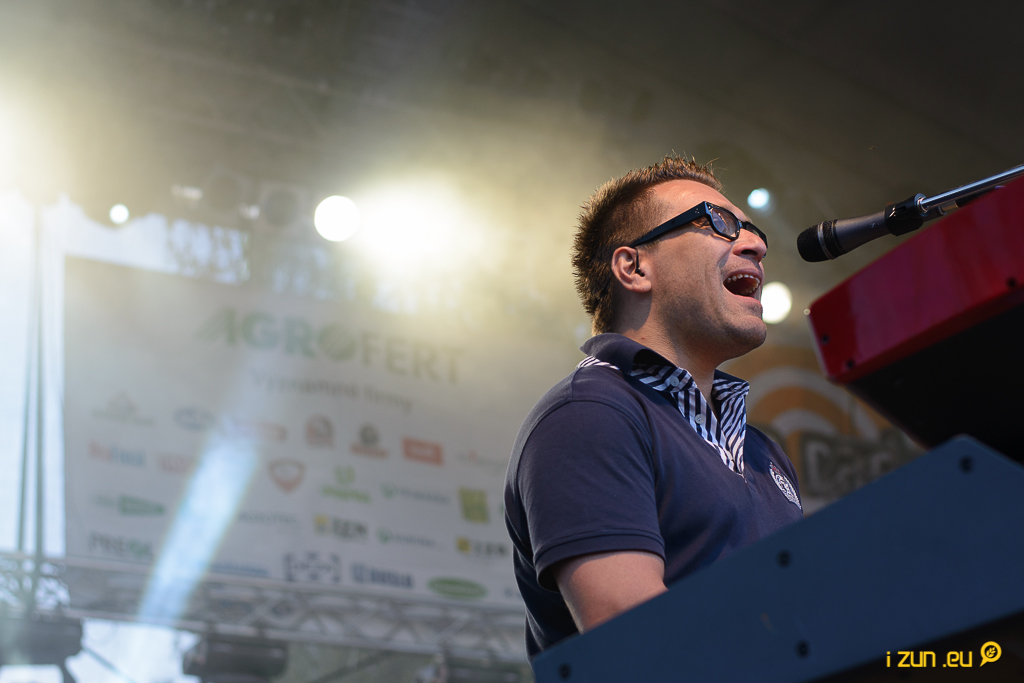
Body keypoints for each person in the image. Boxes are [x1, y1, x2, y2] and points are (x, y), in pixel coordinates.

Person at [503, 155, 804, 658]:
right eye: (718, 223)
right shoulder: (589, 416)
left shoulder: (764, 452)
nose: (756, 244)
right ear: (635, 267)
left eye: (753, 230)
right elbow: (639, 647)